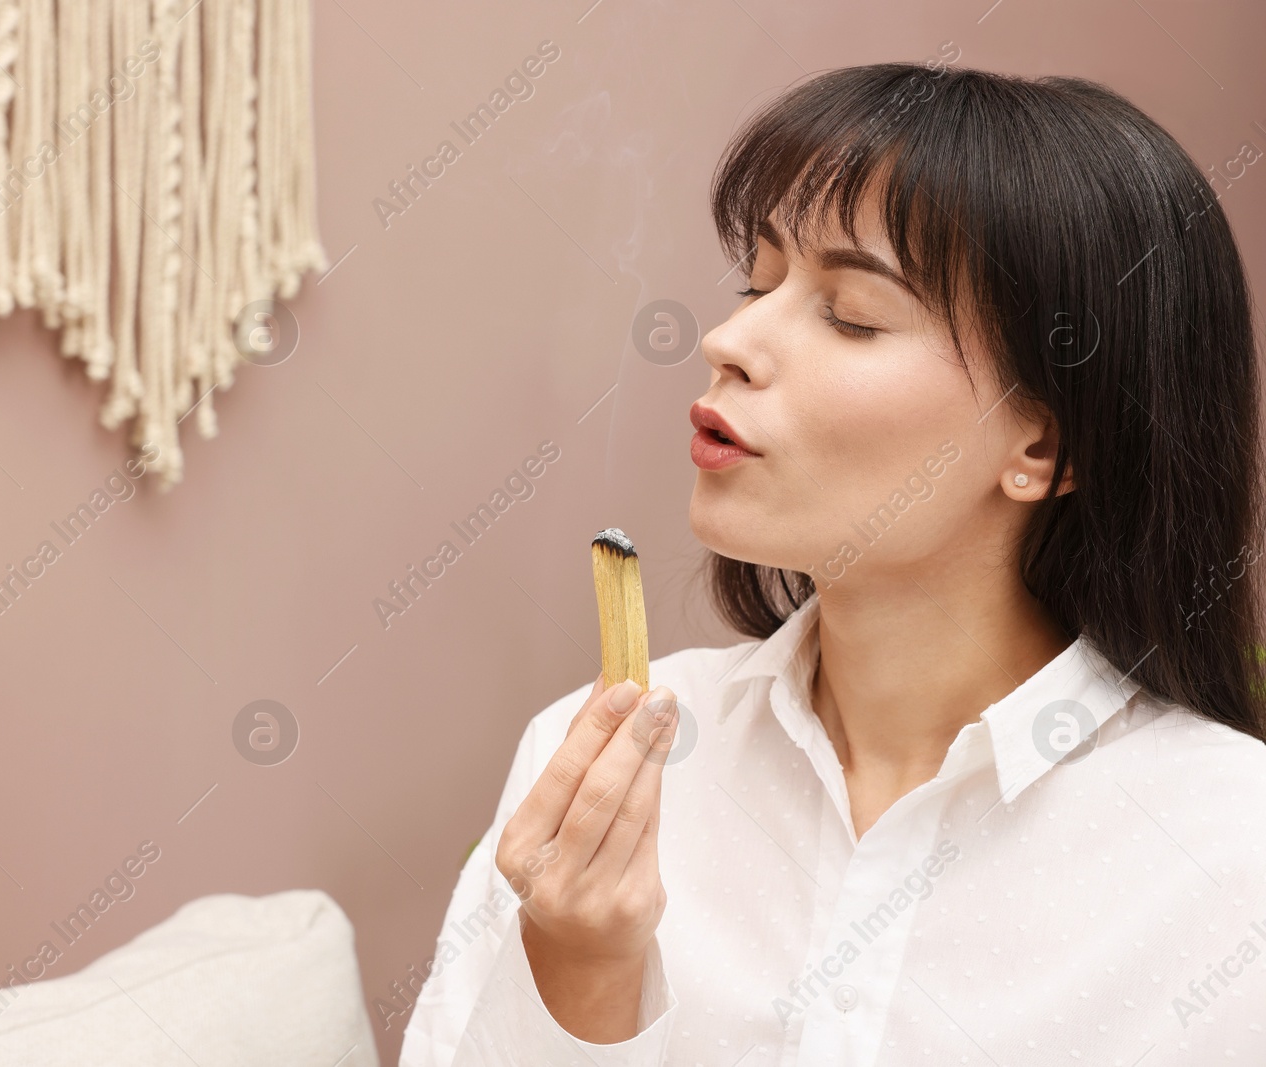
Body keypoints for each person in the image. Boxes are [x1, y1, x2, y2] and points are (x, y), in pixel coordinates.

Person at [397, 60, 1266, 1065]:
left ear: (1041, 446)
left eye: (851, 313)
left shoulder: (1229, 848)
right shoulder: (605, 761)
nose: (727, 339)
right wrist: (579, 973)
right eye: (757, 283)